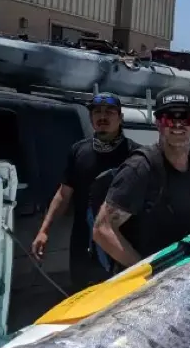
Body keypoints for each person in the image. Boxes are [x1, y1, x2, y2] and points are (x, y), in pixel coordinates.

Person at [92, 88, 190, 271]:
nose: (177, 126)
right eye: (169, 118)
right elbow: (102, 229)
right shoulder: (140, 168)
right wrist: (146, 270)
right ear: (158, 123)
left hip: (183, 270)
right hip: (149, 280)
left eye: (186, 118)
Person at [30, 93, 140, 291]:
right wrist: (44, 231)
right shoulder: (78, 151)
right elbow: (63, 195)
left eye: (109, 112)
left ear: (121, 118)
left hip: (121, 243)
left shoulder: (136, 155)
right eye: (97, 112)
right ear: (91, 118)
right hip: (83, 245)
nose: (102, 117)